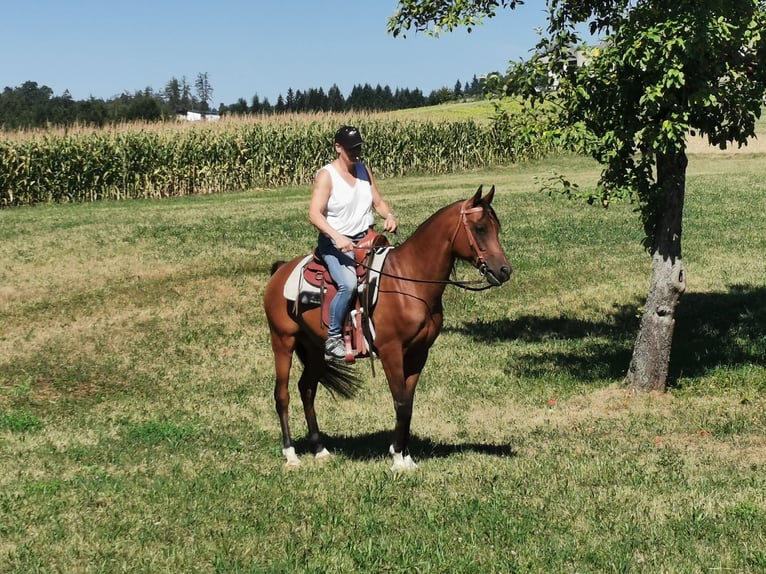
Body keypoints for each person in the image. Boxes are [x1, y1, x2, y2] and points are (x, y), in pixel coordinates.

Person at [309, 125, 398, 361]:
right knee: (347, 284)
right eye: (351, 149)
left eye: (358, 148)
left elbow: (378, 202)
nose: (356, 153)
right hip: (335, 243)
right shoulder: (326, 175)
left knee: (393, 274)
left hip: (367, 239)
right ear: (338, 148)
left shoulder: (363, 170)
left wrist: (388, 215)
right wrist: (337, 237)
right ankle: (333, 338)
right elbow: (314, 214)